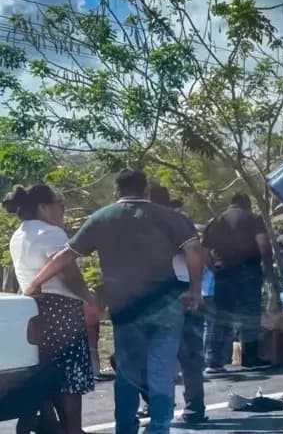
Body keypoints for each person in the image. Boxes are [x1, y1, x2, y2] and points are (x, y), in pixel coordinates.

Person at [23, 169, 206, 434]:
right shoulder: (170, 217)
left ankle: (125, 428)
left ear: (116, 191)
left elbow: (67, 254)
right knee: (160, 369)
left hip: (126, 310)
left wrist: (36, 282)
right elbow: (194, 250)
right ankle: (159, 428)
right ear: (145, 189)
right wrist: (195, 289)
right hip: (167, 306)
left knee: (128, 374)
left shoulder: (103, 217)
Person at [6, 184, 94, 434]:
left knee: (45, 372)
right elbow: (69, 275)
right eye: (58, 204)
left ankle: (49, 423)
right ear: (44, 207)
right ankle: (73, 429)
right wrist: (89, 298)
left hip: (34, 310)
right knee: (70, 376)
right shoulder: (53, 234)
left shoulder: (18, 236)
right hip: (61, 308)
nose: (61, 210)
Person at [147, 184, 206, 423]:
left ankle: (170, 406)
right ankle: (191, 406)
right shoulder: (178, 220)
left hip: (166, 291)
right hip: (174, 289)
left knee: (165, 353)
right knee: (186, 353)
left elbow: (192, 251)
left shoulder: (169, 222)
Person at [201, 193, 274, 371]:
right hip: (248, 271)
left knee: (220, 317)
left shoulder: (216, 220)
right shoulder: (252, 219)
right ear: (247, 204)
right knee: (249, 316)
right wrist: (267, 270)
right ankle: (249, 358)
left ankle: (212, 361)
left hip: (223, 272)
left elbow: (203, 250)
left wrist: (212, 268)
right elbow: (263, 245)